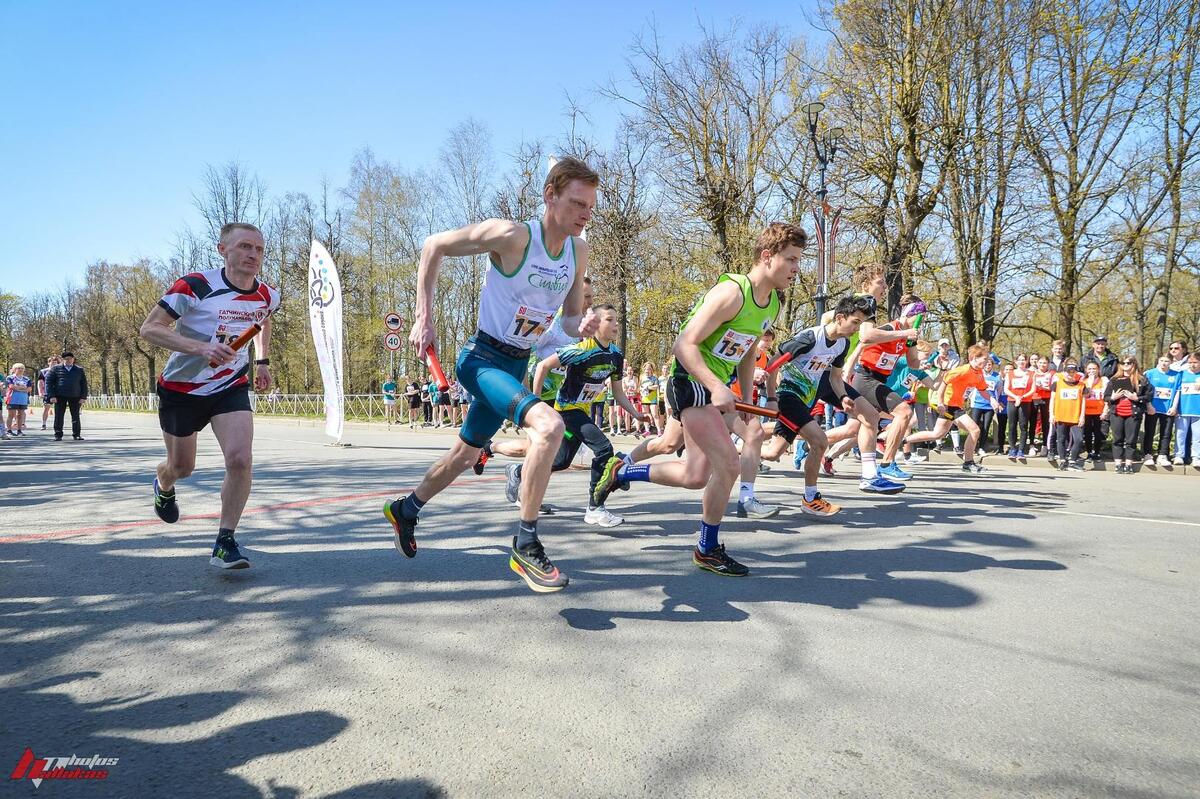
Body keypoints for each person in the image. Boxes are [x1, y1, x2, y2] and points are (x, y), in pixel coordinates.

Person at [385, 156, 599, 593]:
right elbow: (433, 246)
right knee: (549, 425)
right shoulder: (513, 236)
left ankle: (406, 510)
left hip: (516, 362)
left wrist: (585, 326)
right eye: (577, 203)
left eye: (590, 207)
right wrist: (423, 317)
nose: (584, 214)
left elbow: (571, 318)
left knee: (465, 455)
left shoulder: (578, 250)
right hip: (481, 359)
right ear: (549, 195)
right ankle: (526, 542)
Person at [591, 222, 801, 577]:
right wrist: (716, 386)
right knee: (728, 467)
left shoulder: (773, 304)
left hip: (713, 385)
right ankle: (707, 548)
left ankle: (622, 469)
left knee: (693, 474)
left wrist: (747, 399)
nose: (797, 269)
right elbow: (683, 345)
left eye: (799, 260)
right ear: (767, 257)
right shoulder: (732, 294)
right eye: (791, 260)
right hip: (690, 379)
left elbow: (747, 352)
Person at [138, 221, 279, 569]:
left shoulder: (268, 294)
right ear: (223, 250)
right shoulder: (195, 286)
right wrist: (201, 348)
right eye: (245, 246)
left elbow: (263, 319)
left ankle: (225, 541)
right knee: (182, 467)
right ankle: (163, 483)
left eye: (259, 249)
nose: (253, 255)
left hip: (229, 386)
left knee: (240, 460)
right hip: (181, 389)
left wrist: (261, 362)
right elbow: (150, 328)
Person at [759, 295, 899, 513]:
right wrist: (771, 398)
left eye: (861, 323)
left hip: (808, 396)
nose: (857, 328)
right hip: (789, 394)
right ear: (840, 317)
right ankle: (810, 499)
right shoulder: (809, 339)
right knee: (819, 441)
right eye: (855, 322)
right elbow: (773, 362)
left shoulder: (842, 344)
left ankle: (733, 448)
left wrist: (843, 397)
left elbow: (834, 378)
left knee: (773, 453)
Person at [511, 304, 646, 527]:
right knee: (604, 449)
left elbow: (619, 392)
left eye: (616, 320)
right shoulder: (580, 350)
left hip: (583, 411)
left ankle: (520, 471)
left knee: (561, 461)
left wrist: (636, 414)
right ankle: (595, 507)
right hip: (566, 410)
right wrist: (534, 404)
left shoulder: (615, 355)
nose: (615, 325)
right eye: (609, 320)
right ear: (596, 325)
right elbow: (544, 366)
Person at [844, 295, 928, 481]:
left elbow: (913, 364)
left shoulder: (909, 335)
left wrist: (917, 352)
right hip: (865, 378)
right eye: (920, 315)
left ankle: (821, 450)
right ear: (909, 313)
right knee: (905, 412)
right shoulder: (893, 328)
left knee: (851, 430)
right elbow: (867, 337)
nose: (922, 319)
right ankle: (887, 463)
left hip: (880, 381)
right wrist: (903, 334)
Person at [904, 344, 1001, 474]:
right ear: (973, 358)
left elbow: (983, 390)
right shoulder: (962, 370)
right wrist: (940, 402)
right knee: (975, 430)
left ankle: (902, 440)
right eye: (983, 360)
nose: (985, 363)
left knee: (937, 434)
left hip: (956, 405)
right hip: (949, 405)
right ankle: (968, 462)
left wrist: (992, 399)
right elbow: (943, 383)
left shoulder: (978, 374)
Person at [1104, 356, 1151, 473]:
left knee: (1131, 440)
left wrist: (1136, 398)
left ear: (1134, 364)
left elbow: (1149, 396)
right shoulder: (1114, 379)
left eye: (1129, 362)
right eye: (1123, 363)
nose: (1126, 365)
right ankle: (1118, 464)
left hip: (1133, 413)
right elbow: (1106, 396)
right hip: (1117, 413)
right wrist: (1113, 398)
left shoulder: (1142, 380)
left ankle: (1129, 464)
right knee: (1117, 439)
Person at [1048, 359, 1087, 470]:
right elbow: (1052, 399)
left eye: (1073, 371)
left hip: (1075, 417)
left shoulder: (1081, 385)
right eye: (1068, 371)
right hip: (1060, 415)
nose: (1070, 374)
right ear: (1064, 372)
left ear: (1076, 373)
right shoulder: (1057, 384)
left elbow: (1083, 401)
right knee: (1061, 439)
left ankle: (1072, 460)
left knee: (1078, 439)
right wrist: (1051, 414)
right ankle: (1063, 461)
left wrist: (1082, 416)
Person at [1142, 355, 1179, 467]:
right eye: (1161, 360)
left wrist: (1174, 407)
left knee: (1166, 433)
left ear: (1171, 362)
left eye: (1166, 361)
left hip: (1167, 409)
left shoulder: (1176, 375)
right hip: (1152, 408)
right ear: (1158, 361)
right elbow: (1145, 391)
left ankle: (1162, 455)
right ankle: (1147, 454)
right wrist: (1148, 405)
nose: (1164, 363)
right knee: (1150, 431)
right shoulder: (1149, 374)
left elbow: (1177, 391)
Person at [46, 351, 88, 441]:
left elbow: (84, 384)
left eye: (70, 358)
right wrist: (52, 396)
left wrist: (83, 397)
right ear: (62, 360)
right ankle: (58, 434)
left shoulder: (79, 370)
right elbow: (48, 383)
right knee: (59, 416)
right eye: (66, 359)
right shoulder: (55, 369)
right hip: (60, 396)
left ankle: (76, 434)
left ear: (73, 359)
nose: (68, 360)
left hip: (75, 395)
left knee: (75, 415)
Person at [1170, 353, 1200, 469]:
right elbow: (1177, 391)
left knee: (1197, 436)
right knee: (1180, 434)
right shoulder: (1182, 374)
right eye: (1190, 362)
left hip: (1198, 411)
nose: (1192, 365)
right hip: (1183, 410)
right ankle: (1179, 455)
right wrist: (1175, 407)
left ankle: (1196, 457)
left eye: (1195, 362)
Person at [1005, 354, 1037, 461]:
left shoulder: (1032, 374)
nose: (1022, 362)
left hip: (1025, 401)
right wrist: (1015, 397)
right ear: (1016, 361)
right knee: (1012, 425)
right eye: (1020, 360)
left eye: (1024, 360)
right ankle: (1012, 448)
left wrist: (1022, 397)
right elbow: (1006, 389)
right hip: (1012, 401)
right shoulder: (1010, 373)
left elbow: (1033, 389)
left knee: (1023, 426)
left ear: (1027, 361)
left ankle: (1021, 450)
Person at [1081, 361, 1109, 462]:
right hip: (1087, 411)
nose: (1092, 371)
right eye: (1089, 369)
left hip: (1099, 411)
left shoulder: (1104, 380)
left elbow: (1107, 396)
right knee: (1087, 433)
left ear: (1098, 370)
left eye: (1094, 369)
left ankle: (1097, 452)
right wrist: (1090, 383)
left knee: (1098, 433)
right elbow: (1085, 395)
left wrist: (1105, 410)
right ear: (1086, 370)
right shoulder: (1083, 380)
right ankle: (1089, 452)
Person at [1029, 356, 1054, 456]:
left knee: (1045, 423)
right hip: (1034, 398)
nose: (1042, 365)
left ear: (1048, 364)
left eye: (1044, 363)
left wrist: (1042, 387)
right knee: (1033, 422)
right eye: (1040, 363)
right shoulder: (1032, 373)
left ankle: (1045, 445)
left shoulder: (1052, 373)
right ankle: (1031, 445)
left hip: (1046, 398)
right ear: (1037, 363)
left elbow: (1053, 387)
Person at [4, 364, 33, 436]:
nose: (20, 370)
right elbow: (12, 387)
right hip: (12, 398)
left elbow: (29, 389)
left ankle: (19, 430)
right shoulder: (10, 377)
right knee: (11, 414)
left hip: (23, 399)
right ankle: (9, 430)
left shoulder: (27, 379)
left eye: (22, 368)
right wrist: (23, 388)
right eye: (18, 368)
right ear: (14, 369)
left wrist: (20, 388)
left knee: (20, 415)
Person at [640, 361, 663, 435]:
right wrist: (642, 390)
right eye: (646, 369)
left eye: (649, 369)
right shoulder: (642, 377)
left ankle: (659, 430)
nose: (647, 370)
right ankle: (647, 430)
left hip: (653, 398)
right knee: (646, 415)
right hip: (645, 397)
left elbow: (656, 387)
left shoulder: (654, 378)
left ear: (651, 370)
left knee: (655, 414)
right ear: (644, 369)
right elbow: (639, 387)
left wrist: (648, 387)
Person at [38, 355, 60, 430]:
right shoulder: (43, 371)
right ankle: (44, 424)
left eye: (55, 363)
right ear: (49, 363)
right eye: (52, 362)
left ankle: (58, 425)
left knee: (59, 409)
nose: (53, 364)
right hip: (47, 392)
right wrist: (40, 392)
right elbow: (40, 382)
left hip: (58, 392)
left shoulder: (60, 371)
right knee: (46, 408)